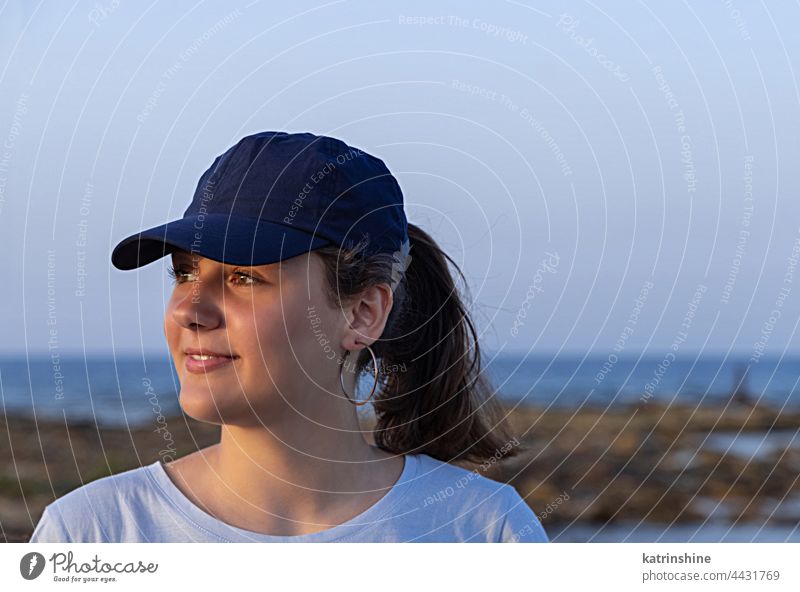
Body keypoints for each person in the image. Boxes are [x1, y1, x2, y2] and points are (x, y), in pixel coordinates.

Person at [29, 131, 549, 543]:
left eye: (244, 277)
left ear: (363, 313)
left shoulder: (482, 532)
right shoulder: (91, 535)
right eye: (185, 273)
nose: (190, 309)